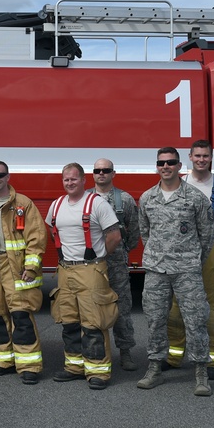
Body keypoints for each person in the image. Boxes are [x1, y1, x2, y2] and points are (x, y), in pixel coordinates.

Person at [136, 147, 214, 397]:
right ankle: (155, 368)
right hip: (156, 270)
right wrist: (159, 255)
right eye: (161, 163)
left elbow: (207, 235)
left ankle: (201, 372)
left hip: (186, 271)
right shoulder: (147, 198)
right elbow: (145, 232)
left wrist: (191, 260)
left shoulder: (194, 198)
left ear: (180, 166)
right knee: (155, 320)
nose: (165, 166)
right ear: (157, 166)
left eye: (170, 162)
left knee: (195, 321)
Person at [165, 140, 214, 380]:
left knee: (213, 308)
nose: (201, 160)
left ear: (211, 159)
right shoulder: (179, 184)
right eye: (197, 156)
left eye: (205, 156)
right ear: (189, 157)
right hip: (184, 253)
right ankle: (174, 356)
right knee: (177, 307)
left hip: (212, 252)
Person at [46, 163, 123, 390]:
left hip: (91, 269)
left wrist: (99, 256)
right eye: (66, 180)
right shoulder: (57, 204)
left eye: (74, 179)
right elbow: (51, 231)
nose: (70, 183)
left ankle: (98, 371)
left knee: (93, 322)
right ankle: (74, 367)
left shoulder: (96, 203)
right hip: (65, 270)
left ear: (83, 180)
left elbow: (115, 236)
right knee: (68, 320)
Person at [0, 161, 47, 385]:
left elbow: (36, 237)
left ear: (8, 176)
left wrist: (31, 267)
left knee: (21, 315)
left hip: (16, 268)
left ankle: (29, 365)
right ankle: (4, 361)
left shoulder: (22, 203)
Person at [92, 158, 141, 371]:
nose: (101, 173)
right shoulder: (85, 199)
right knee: (92, 309)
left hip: (117, 265)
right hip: (92, 265)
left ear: (113, 173)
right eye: (97, 170)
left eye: (106, 170)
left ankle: (125, 352)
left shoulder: (126, 200)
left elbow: (134, 232)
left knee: (122, 310)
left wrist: (122, 252)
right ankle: (97, 352)